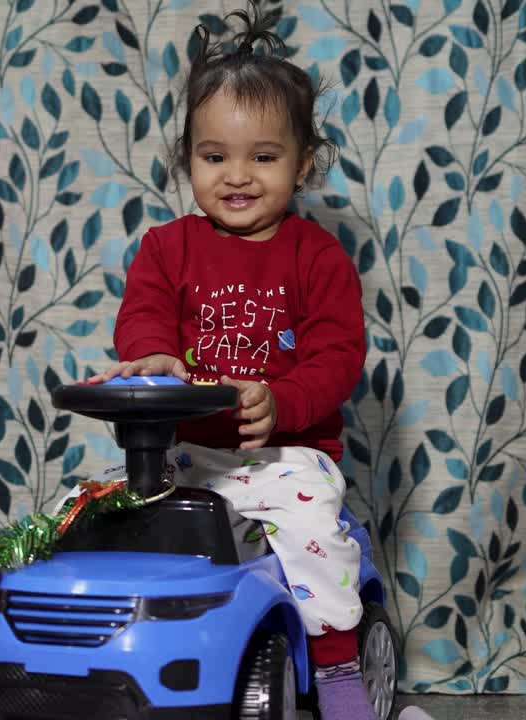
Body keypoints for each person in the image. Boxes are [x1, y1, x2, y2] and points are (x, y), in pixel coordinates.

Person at [82, 3, 374, 717]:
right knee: (86, 516)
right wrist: (151, 356)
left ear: (303, 164)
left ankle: (337, 673)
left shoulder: (317, 255)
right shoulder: (166, 248)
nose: (237, 177)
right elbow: (145, 316)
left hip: (284, 459)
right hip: (185, 456)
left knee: (314, 537)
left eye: (263, 158)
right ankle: (105, 655)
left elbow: (338, 356)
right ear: (188, 160)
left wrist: (283, 402)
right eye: (214, 157)